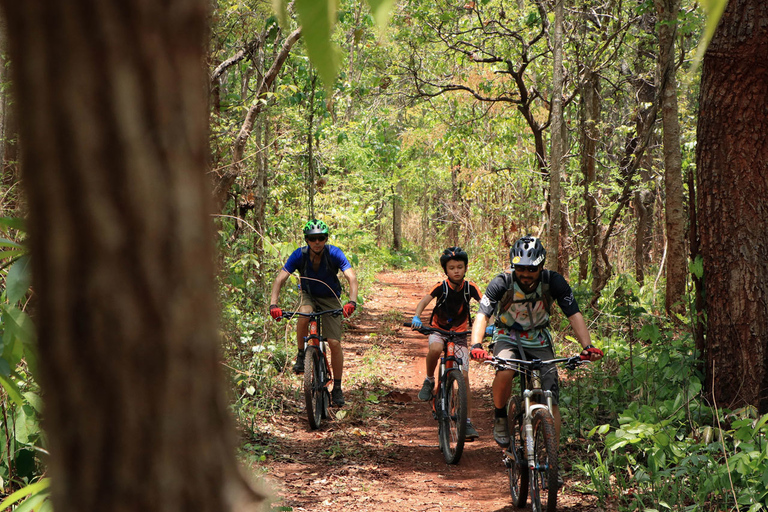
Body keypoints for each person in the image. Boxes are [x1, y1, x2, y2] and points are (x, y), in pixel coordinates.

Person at [469, 235, 603, 448]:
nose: (525, 274)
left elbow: (573, 313)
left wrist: (587, 347)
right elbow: (482, 314)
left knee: (550, 394)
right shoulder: (501, 282)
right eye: (520, 268)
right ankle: (500, 415)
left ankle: (553, 460)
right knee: (506, 369)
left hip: (539, 339)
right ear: (514, 266)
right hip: (507, 336)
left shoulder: (553, 282)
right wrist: (476, 345)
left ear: (541, 266)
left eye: (532, 269)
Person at [269, 219, 359, 407]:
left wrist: (351, 302)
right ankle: (301, 354)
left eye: (321, 238)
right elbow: (279, 279)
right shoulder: (299, 255)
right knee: (304, 314)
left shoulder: (334, 253)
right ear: (307, 240)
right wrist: (273, 305)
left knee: (334, 342)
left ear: (326, 239)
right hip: (308, 294)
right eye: (312, 239)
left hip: (330, 296)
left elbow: (351, 277)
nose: (317, 242)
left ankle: (338, 387)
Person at [411, 247, 484, 440]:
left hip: (460, 334)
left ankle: (467, 422)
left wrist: (490, 326)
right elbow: (423, 302)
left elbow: (486, 306)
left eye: (460, 267)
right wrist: (417, 317)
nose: (456, 271)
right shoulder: (440, 286)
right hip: (439, 329)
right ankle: (429, 380)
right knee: (435, 348)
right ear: (446, 270)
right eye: (452, 268)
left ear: (466, 268)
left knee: (465, 378)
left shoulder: (471, 287)